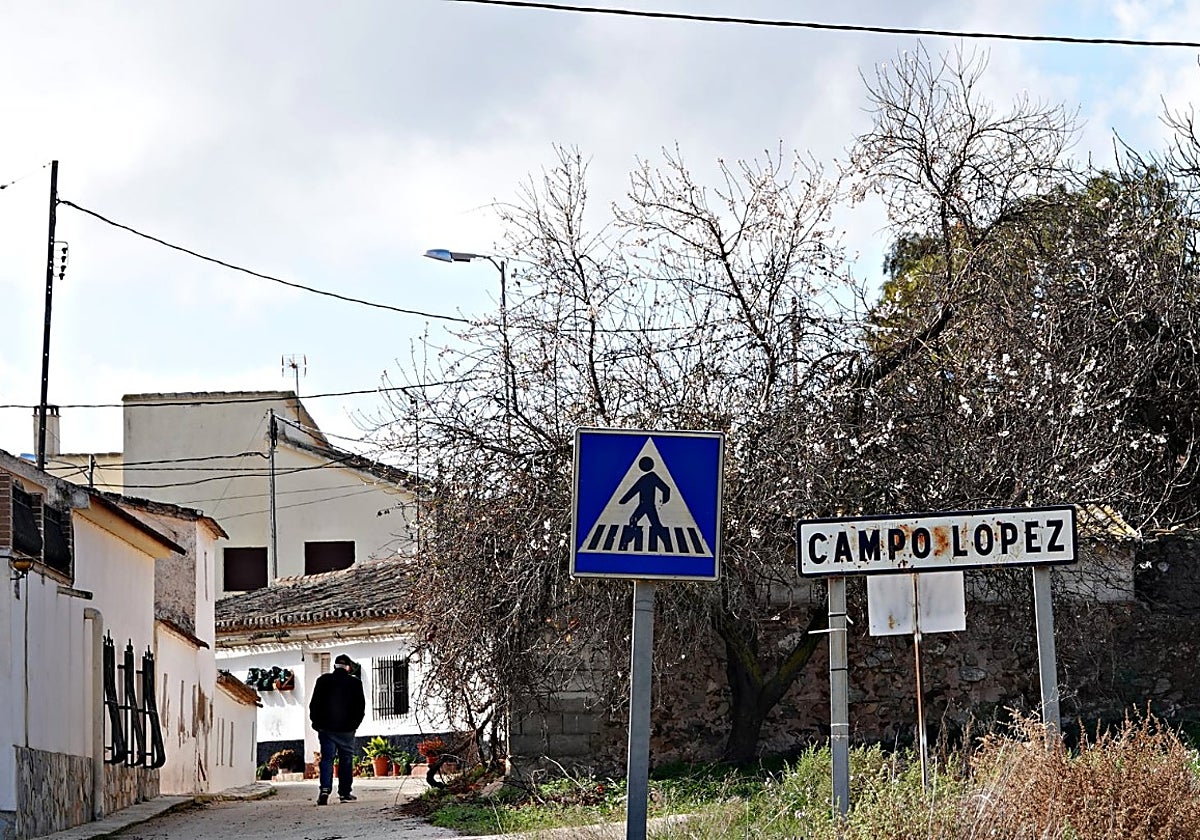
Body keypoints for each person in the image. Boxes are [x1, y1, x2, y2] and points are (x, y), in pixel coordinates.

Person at [308, 653, 366, 805]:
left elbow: (314, 704)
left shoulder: (322, 681)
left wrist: (317, 723)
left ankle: (325, 790)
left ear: (335, 666)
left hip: (326, 729)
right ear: (348, 668)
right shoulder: (355, 683)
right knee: (346, 760)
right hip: (347, 730)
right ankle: (345, 793)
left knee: (327, 759)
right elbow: (360, 707)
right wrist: (355, 725)